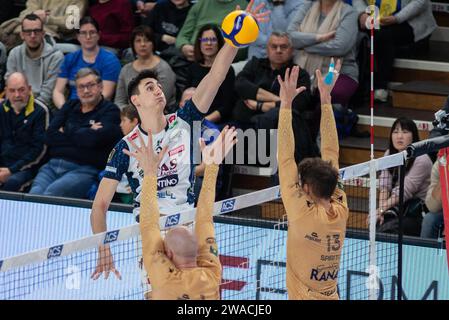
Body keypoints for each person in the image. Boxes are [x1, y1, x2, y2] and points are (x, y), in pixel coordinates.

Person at [90, 0, 269, 280]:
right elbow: (99, 205)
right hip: (151, 233)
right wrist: (103, 248)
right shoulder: (126, 147)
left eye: (159, 86)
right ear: (135, 100)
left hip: (188, 224)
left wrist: (234, 39)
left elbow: (216, 75)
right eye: (150, 87)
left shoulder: (184, 121)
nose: (158, 90)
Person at [123, 126, 237, 299]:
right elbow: (205, 219)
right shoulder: (212, 273)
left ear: (168, 254)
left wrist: (150, 172)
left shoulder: (163, 278)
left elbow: (148, 223)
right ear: (198, 251)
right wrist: (213, 166)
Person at [278, 61, 349, 300]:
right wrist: (326, 99)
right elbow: (331, 151)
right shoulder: (340, 205)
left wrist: (286, 104)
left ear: (306, 188)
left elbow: (285, 158)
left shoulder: (301, 211)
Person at [29, 68, 122, 198]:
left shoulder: (110, 110)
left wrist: (66, 129)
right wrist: (86, 130)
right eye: (81, 87)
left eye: (90, 85)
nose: (86, 91)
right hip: (52, 165)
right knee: (34, 196)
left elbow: (93, 140)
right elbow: (49, 135)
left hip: (84, 169)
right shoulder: (70, 105)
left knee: (51, 195)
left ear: (100, 86)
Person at [233, 32, 316, 163]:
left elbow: (298, 104)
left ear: (291, 50)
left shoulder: (299, 74)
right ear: (267, 49)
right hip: (248, 123)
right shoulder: (255, 64)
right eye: (274, 46)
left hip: (279, 127)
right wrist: (280, 100)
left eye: (283, 47)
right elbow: (240, 84)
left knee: (280, 116)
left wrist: (259, 105)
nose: (278, 51)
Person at [353, 0, 437, 102]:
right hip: (372, 18)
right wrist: (362, 13)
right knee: (352, 31)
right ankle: (355, 86)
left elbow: (420, 2)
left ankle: (380, 87)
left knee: (383, 35)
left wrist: (397, 18)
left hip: (408, 21)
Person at [287, 0, 359, 106]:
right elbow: (290, 37)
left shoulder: (349, 12)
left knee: (331, 92)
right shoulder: (306, 7)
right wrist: (318, 38)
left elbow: (339, 47)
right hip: (302, 69)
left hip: (339, 71)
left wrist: (304, 46)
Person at [376, 117, 433, 236]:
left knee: (389, 227)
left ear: (414, 136)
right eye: (396, 132)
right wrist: (380, 211)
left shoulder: (422, 160)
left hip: (417, 213)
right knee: (378, 221)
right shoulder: (389, 154)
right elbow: (384, 186)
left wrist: (381, 210)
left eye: (405, 132)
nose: (399, 136)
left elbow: (404, 190)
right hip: (398, 208)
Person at [52, 16, 122, 109]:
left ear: (98, 35)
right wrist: (64, 109)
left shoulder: (110, 60)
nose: (88, 37)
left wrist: (84, 112)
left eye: (92, 32)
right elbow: (58, 91)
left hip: (98, 110)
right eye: (83, 33)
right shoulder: (70, 58)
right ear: (78, 37)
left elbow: (106, 95)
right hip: (71, 109)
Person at [0, 72, 49, 192]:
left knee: (12, 184)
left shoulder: (40, 111)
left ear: (30, 89)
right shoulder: (1, 108)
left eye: (21, 90)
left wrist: (11, 170)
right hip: (3, 164)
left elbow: (40, 150)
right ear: (6, 91)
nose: (17, 95)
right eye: (12, 91)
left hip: (27, 167)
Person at [6, 14, 64, 109]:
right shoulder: (14, 54)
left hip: (44, 108)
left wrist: (30, 112)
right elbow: (10, 86)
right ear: (22, 35)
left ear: (43, 33)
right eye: (28, 32)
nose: (32, 36)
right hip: (18, 104)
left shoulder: (56, 57)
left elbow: (47, 94)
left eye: (36, 31)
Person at [181, 24, 236, 124]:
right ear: (199, 43)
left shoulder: (228, 70)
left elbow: (227, 106)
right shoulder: (192, 68)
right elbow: (186, 97)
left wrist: (204, 122)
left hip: (217, 121)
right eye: (205, 40)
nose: (209, 43)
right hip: (193, 118)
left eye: (213, 40)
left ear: (219, 43)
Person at [114, 25, 177, 111]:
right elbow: (119, 101)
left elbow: (161, 101)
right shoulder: (126, 69)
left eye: (147, 40)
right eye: (138, 41)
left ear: (153, 44)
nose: (142, 44)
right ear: (133, 45)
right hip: (131, 117)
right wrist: (129, 116)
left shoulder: (164, 68)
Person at [175, 0, 248, 62]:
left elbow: (244, 45)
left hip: (224, 60)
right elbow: (183, 35)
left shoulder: (244, 6)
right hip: (194, 57)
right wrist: (184, 46)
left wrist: (217, 55)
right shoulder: (201, 3)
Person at [0, 0, 89, 50]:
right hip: (28, 29)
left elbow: (71, 23)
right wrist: (35, 15)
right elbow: (25, 13)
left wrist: (47, 19)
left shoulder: (78, 1)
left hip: (60, 36)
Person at [421, 160, 445, 239]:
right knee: (430, 219)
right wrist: (445, 174)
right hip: (445, 211)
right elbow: (432, 207)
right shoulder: (441, 163)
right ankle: (425, 250)